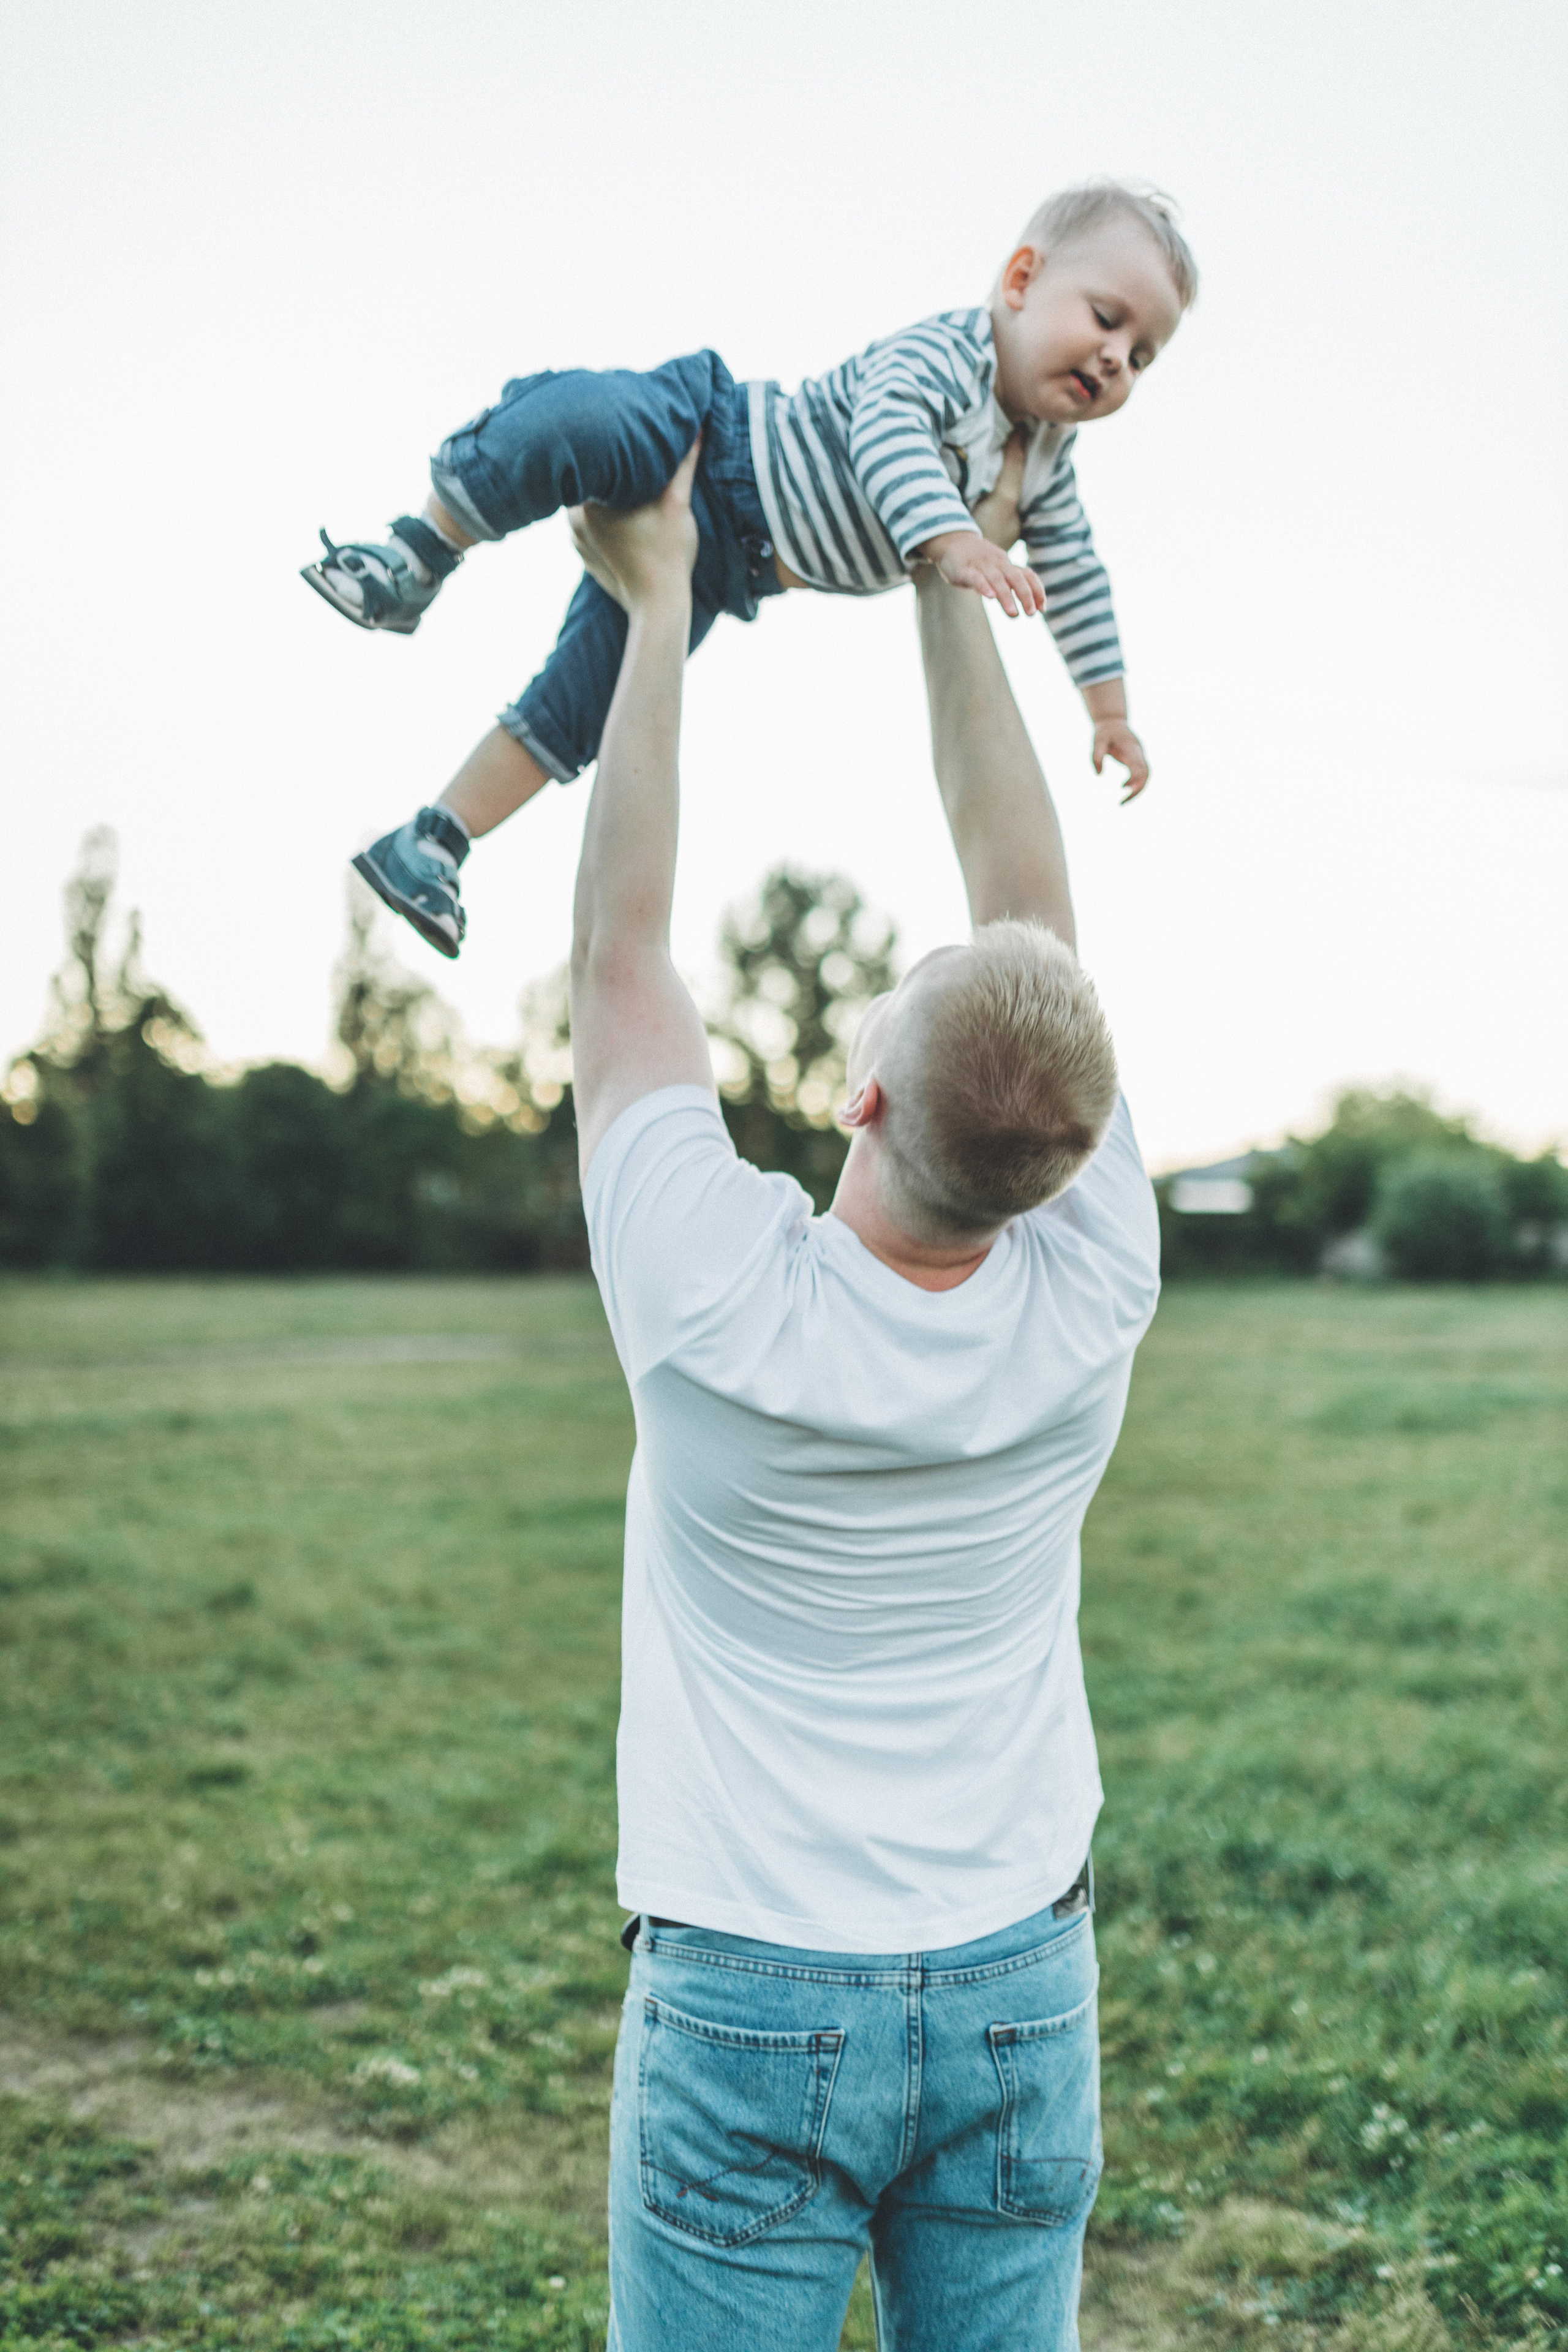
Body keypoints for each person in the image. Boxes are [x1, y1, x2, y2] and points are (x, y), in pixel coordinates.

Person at [564, 436, 1161, 2350]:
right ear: (1073, 1157)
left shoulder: (712, 1305)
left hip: (753, 2000)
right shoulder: (1099, 1282)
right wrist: (945, 575)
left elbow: (621, 952)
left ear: (860, 1092)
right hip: (1015, 1984)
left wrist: (652, 608)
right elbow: (1027, 906)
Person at [303, 183, 1195, 957]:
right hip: (709, 435)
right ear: (1022, 281)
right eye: (1107, 318)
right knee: (580, 421)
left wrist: (1108, 712)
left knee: (585, 708)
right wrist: (954, 541)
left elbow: (1077, 574)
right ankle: (421, 550)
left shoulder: (1044, 461)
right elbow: (884, 432)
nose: (1118, 358)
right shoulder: (951, 355)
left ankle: (435, 841)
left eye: (1144, 357)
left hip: (723, 569)